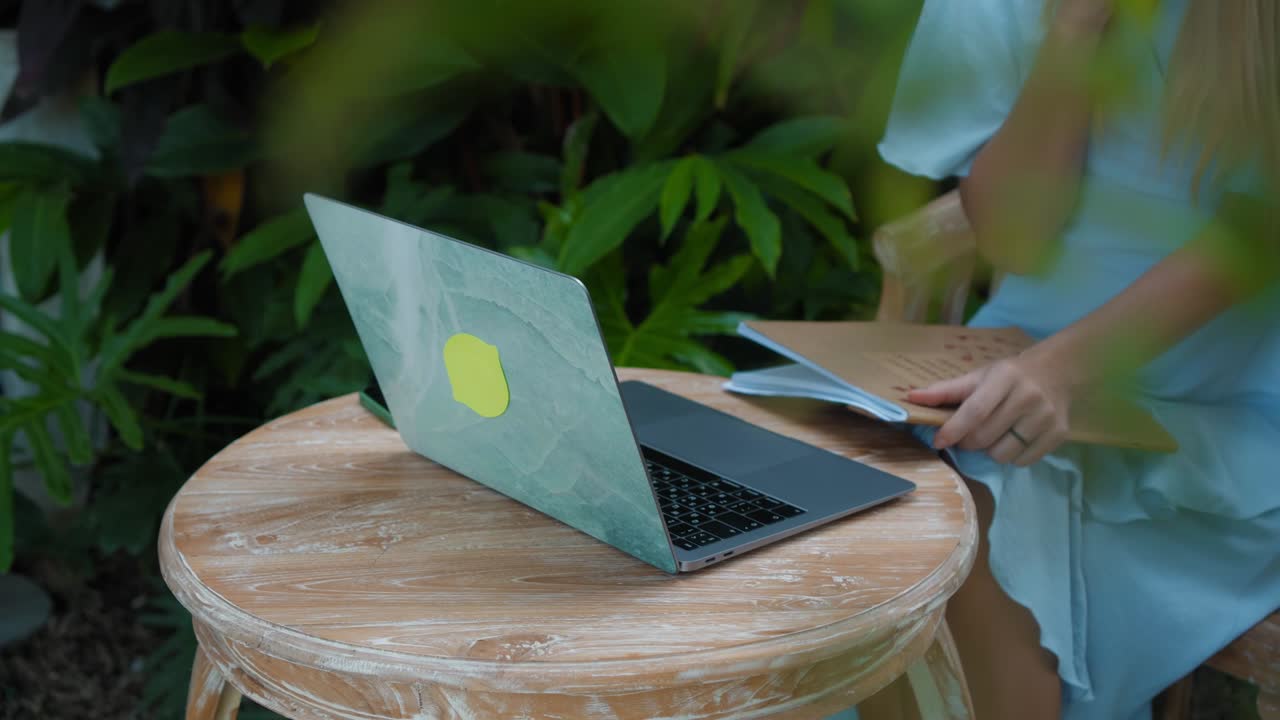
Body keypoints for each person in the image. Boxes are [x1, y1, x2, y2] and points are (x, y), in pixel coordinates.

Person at [840, 0, 1280, 718]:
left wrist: (1063, 372)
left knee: (976, 503)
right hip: (1014, 363)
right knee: (882, 493)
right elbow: (1014, 240)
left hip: (1224, 410)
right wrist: (1073, 33)